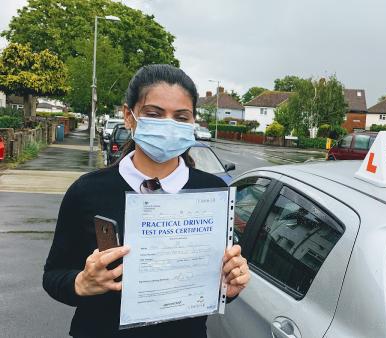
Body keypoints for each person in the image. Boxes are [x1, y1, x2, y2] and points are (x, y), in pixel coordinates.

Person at [43, 64, 250, 338]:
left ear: (193, 122)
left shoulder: (213, 193)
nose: (168, 125)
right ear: (129, 116)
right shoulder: (87, 191)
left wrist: (229, 288)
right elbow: (54, 275)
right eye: (154, 114)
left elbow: (216, 281)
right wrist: (80, 283)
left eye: (181, 117)